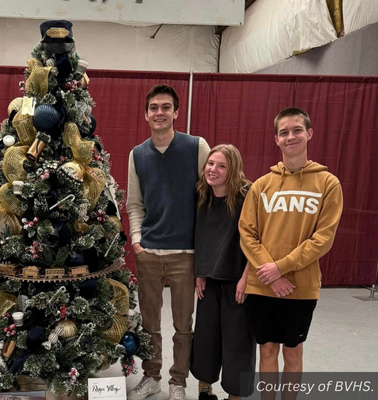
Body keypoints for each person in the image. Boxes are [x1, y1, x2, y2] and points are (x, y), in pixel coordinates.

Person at [239, 107, 343, 399]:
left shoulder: (328, 184)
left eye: (297, 130)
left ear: (309, 133)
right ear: (276, 140)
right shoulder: (261, 185)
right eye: (284, 132)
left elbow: (323, 238)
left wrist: (281, 268)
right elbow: (247, 234)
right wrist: (271, 274)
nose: (291, 136)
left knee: (293, 352)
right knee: (267, 350)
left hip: (301, 286)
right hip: (263, 284)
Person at [127, 84, 210, 400]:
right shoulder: (138, 154)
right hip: (148, 252)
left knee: (183, 325)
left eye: (166, 107)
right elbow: (135, 203)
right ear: (146, 114)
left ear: (176, 112)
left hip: (185, 254)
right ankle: (151, 377)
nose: (159, 113)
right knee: (149, 324)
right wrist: (137, 240)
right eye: (153, 108)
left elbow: (210, 198)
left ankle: (178, 383)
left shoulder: (197, 147)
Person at [190, 144, 255, 400]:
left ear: (233, 169)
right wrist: (200, 273)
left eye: (221, 166)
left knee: (238, 342)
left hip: (238, 281)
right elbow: (201, 237)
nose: (213, 170)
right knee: (205, 338)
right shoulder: (202, 195)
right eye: (210, 164)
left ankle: (235, 396)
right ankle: (204, 390)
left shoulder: (247, 196)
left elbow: (258, 240)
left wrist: (247, 279)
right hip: (209, 279)